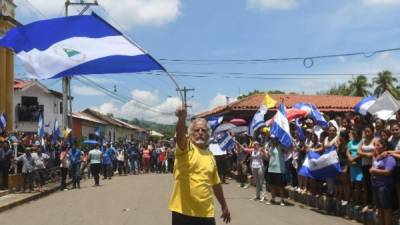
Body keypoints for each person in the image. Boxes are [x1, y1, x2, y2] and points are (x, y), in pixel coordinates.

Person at [168, 107, 230, 225]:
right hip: (183, 212)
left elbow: (216, 184)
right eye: (197, 130)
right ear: (190, 134)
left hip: (206, 213)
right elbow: (180, 136)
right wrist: (182, 119)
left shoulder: (210, 155)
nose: (200, 132)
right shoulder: (186, 148)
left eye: (204, 130)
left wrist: (224, 205)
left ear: (208, 134)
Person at [371, 138, 396, 225]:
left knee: (386, 208)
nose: (376, 147)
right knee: (380, 208)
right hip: (376, 185)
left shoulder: (389, 158)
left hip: (384, 186)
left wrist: (374, 171)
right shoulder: (378, 157)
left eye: (378, 145)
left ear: (384, 147)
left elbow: (388, 172)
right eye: (375, 145)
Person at [266, 136, 288, 206]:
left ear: (277, 140)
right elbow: (267, 158)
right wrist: (263, 152)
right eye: (272, 140)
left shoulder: (280, 146)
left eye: (274, 139)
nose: (272, 141)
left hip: (279, 169)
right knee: (272, 185)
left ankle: (282, 200)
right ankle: (273, 199)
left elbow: (286, 151)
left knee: (280, 186)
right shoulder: (270, 148)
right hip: (271, 169)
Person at [357, 125, 375, 211]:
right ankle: (368, 203)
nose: (367, 133)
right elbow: (358, 151)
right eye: (365, 132)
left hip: (373, 165)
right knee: (367, 184)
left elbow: (375, 153)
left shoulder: (375, 140)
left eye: (369, 131)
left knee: (373, 184)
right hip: (364, 165)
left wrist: (366, 154)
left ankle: (374, 204)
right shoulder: (363, 140)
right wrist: (367, 154)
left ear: (372, 131)